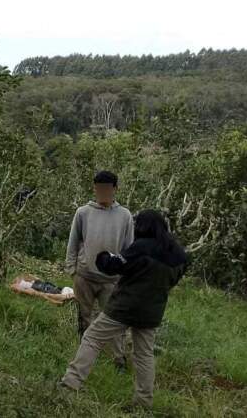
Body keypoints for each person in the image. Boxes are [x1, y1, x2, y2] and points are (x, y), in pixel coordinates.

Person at [61, 210, 187, 409]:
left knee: (93, 338)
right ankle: (143, 402)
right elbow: (172, 281)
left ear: (144, 226)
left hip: (124, 307)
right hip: (152, 312)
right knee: (144, 355)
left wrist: (103, 256)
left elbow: (114, 266)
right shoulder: (179, 255)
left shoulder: (142, 247)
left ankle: (70, 383)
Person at [65, 170, 133, 370]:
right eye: (98, 189)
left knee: (114, 320)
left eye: (106, 189)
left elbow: (129, 248)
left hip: (111, 280)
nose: (102, 192)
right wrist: (72, 269)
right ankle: (84, 357)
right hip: (84, 276)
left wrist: (126, 274)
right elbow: (73, 241)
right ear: (95, 189)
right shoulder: (83, 212)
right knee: (84, 317)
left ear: (115, 189)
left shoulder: (125, 216)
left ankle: (119, 360)